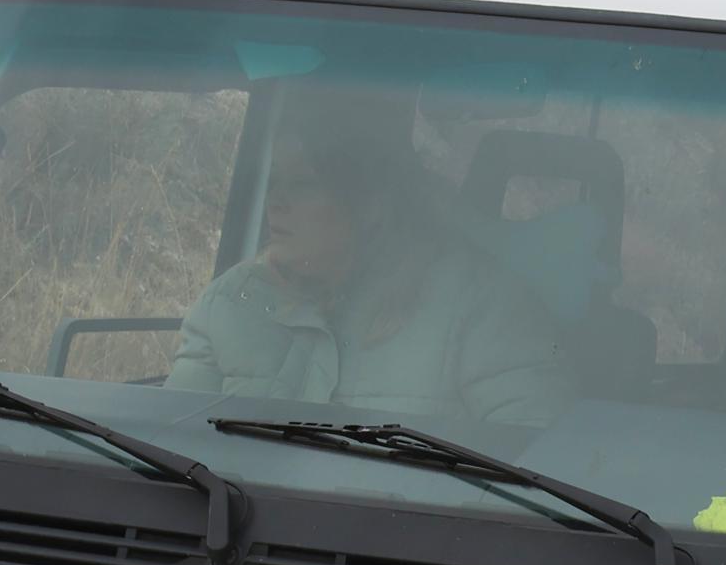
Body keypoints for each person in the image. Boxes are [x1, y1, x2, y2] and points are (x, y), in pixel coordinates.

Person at [169, 93, 574, 428]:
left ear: (369, 204)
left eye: (303, 185)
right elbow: (173, 446)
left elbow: (535, 473)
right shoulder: (229, 303)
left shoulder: (480, 306)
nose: (276, 202)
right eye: (273, 183)